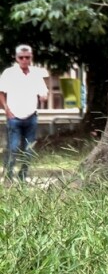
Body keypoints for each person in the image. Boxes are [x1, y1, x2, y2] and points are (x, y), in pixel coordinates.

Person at [1, 44, 50, 182]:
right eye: (21, 57)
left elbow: (43, 92)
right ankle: (8, 175)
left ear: (31, 58)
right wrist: (7, 110)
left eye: (27, 57)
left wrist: (43, 97)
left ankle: (23, 175)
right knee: (14, 147)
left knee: (28, 150)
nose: (24, 60)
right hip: (14, 117)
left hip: (31, 116)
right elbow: (1, 92)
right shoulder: (9, 73)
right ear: (16, 58)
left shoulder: (36, 74)